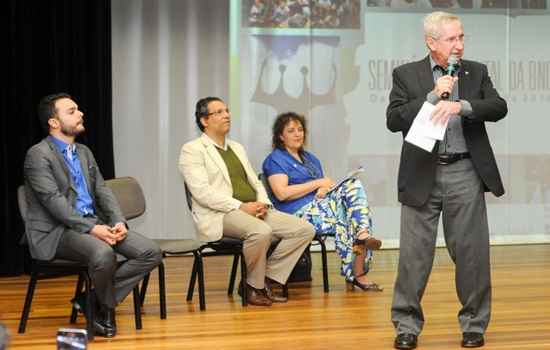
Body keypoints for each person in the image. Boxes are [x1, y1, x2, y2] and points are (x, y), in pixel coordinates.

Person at [386, 12, 507, 349]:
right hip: (422, 172)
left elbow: (498, 107)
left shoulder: (476, 71)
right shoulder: (406, 74)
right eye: (452, 39)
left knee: (471, 254)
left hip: (465, 171)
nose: (459, 45)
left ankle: (474, 325)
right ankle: (406, 326)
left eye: (462, 37)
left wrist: (462, 106)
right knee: (414, 256)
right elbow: (394, 119)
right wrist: (430, 96)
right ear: (432, 42)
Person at [23, 93, 162, 337]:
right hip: (57, 231)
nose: (80, 113)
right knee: (102, 252)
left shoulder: (84, 151)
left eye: (78, 109)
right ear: (53, 122)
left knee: (150, 252)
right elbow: (53, 202)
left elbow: (102, 190)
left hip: (92, 223)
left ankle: (91, 301)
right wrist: (91, 229)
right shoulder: (38, 154)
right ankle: (105, 310)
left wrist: (118, 221)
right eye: (72, 111)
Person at [178, 97, 315, 307]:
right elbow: (202, 192)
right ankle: (254, 287)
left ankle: (264, 280)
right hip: (221, 214)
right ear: (205, 120)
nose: (227, 115)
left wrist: (263, 204)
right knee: (261, 231)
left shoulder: (237, 147)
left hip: (253, 209)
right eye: (219, 112)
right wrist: (240, 206)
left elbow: (256, 182)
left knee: (304, 229)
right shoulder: (193, 149)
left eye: (227, 110)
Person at [262, 112, 383, 291]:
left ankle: (361, 237)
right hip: (295, 213)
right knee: (352, 217)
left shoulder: (310, 159)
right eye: (291, 131)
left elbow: (323, 187)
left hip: (320, 206)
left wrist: (324, 189)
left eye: (300, 129)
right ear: (280, 136)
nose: (297, 134)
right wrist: (317, 184)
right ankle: (358, 272)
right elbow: (281, 194)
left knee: (354, 197)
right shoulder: (275, 159)